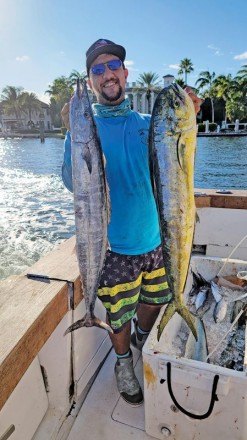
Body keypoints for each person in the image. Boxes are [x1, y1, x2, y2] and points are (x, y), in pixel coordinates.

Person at [61, 39, 201, 407]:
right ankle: (123, 364)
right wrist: (71, 135)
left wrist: (189, 117)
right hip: (113, 249)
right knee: (118, 317)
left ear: (125, 73)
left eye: (113, 67)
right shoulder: (82, 130)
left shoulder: (151, 124)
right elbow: (72, 183)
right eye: (97, 70)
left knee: (155, 301)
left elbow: (175, 167)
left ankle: (142, 334)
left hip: (157, 242)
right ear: (91, 82)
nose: (106, 74)